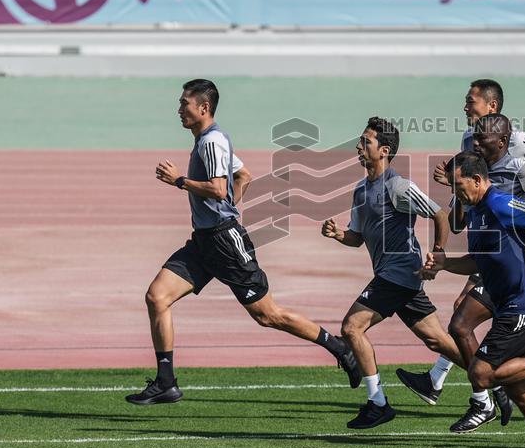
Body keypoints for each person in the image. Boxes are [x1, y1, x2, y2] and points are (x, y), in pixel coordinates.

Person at [126, 79, 360, 405]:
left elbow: (220, 188)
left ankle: (338, 347)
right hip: (205, 242)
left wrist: (179, 181)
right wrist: (230, 209)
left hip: (223, 241)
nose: (179, 110)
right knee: (157, 297)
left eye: (185, 104)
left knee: (268, 315)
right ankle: (166, 382)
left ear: (203, 108)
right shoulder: (208, 141)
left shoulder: (212, 142)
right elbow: (244, 176)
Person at [398, 113, 525, 433]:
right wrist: (455, 190)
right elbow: (457, 224)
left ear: (502, 141)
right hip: (488, 262)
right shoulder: (473, 174)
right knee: (472, 331)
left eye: (482, 137)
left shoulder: (522, 168)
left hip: (514, 268)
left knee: (481, 339)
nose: (475, 140)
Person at [421, 152, 525, 448]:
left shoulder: (499, 203)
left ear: (477, 180)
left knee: (481, 373)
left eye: (458, 185)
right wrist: (444, 263)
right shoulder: (475, 211)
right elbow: (479, 261)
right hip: (510, 308)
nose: (455, 192)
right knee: (520, 391)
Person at [321, 117, 464, 429]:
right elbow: (357, 238)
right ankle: (492, 381)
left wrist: (438, 254)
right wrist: (337, 235)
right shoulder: (361, 190)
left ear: (384, 150)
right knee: (438, 340)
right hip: (396, 277)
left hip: (399, 274)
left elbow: (438, 214)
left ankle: (378, 403)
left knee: (351, 328)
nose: (359, 146)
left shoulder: (398, 186)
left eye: (366, 142)